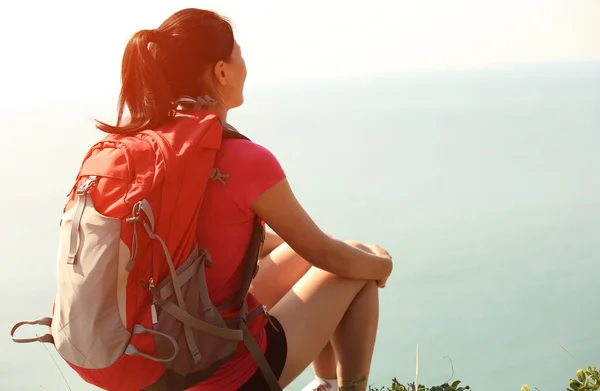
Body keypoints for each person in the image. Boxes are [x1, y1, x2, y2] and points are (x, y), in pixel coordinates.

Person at [98, 8, 393, 391]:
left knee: (318, 255)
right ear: (221, 72)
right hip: (221, 375)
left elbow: (208, 238)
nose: (244, 64)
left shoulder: (143, 149)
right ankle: (342, 387)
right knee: (358, 268)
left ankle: (325, 387)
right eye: (239, 54)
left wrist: (306, 250)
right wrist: (382, 267)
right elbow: (328, 255)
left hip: (149, 358)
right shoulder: (243, 158)